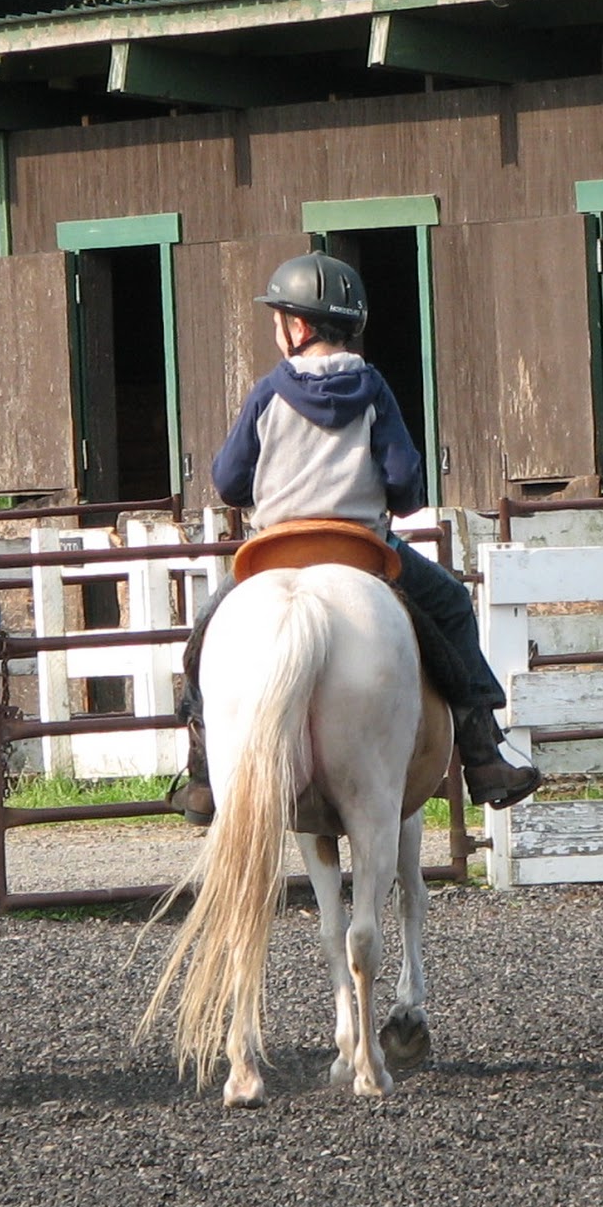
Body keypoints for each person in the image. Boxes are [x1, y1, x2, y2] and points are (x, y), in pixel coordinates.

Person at [173, 251, 541, 823]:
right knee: (450, 605)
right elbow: (405, 485)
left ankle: (202, 772)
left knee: (204, 637)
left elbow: (228, 482)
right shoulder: (374, 390)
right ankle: (484, 755)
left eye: (277, 320)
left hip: (275, 551)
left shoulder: (267, 393)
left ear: (297, 327)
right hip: (361, 550)